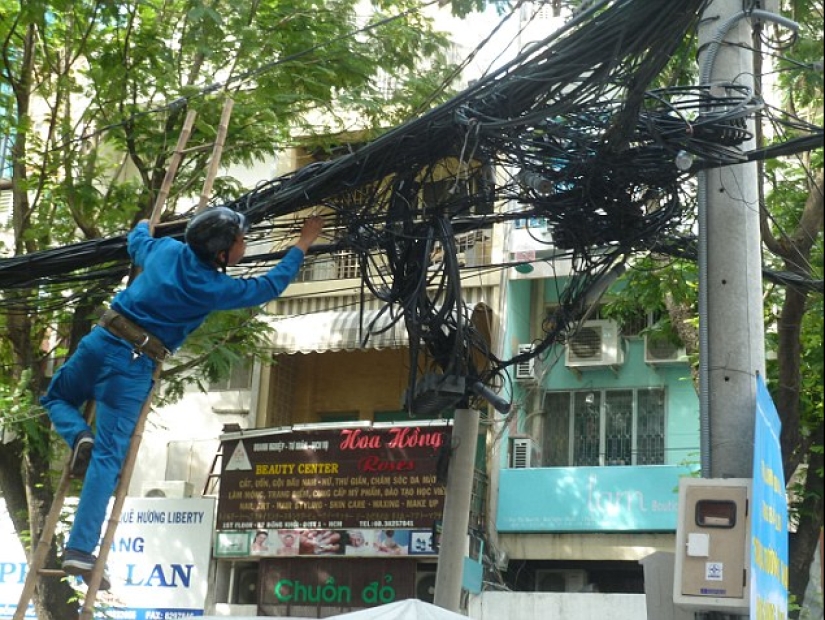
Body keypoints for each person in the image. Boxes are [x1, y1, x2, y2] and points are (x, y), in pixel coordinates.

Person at [41, 208, 324, 590]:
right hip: (133, 364)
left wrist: (144, 221)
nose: (245, 246)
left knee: (56, 396)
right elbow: (267, 286)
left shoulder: (166, 250)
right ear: (220, 253)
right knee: (108, 459)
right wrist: (303, 243)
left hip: (101, 340)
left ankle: (77, 435)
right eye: (241, 242)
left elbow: (137, 240)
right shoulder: (213, 287)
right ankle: (79, 549)